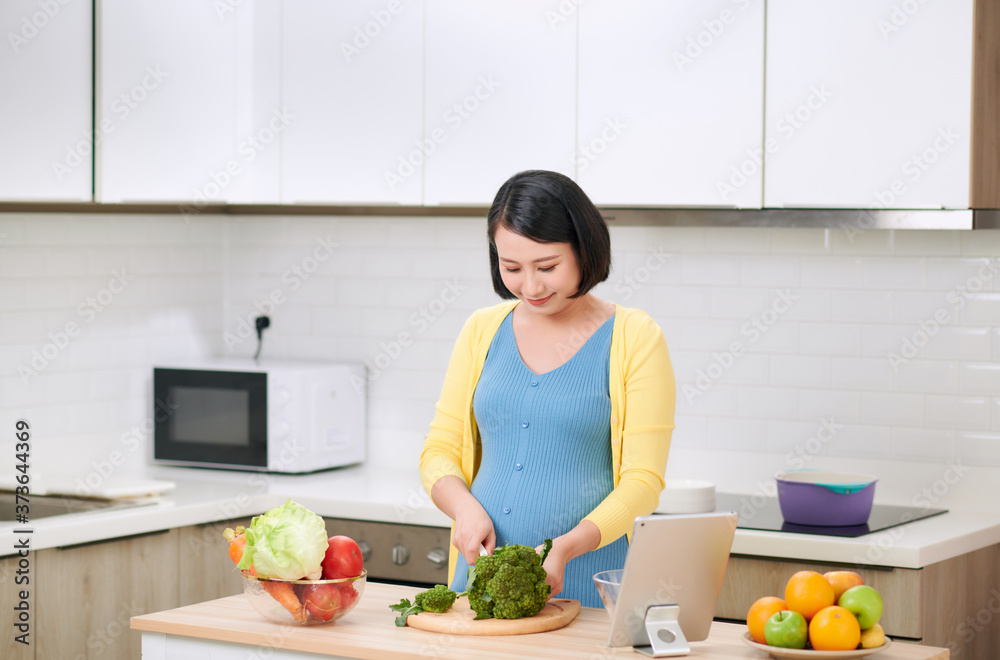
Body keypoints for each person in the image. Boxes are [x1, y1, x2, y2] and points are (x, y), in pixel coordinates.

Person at [419, 169, 675, 608]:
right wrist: (463, 508)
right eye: (512, 267)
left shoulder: (635, 337)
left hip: (589, 583)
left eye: (548, 267)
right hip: (480, 583)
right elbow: (438, 450)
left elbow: (643, 482)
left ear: (584, 250)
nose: (531, 287)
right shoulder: (481, 330)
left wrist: (567, 547)